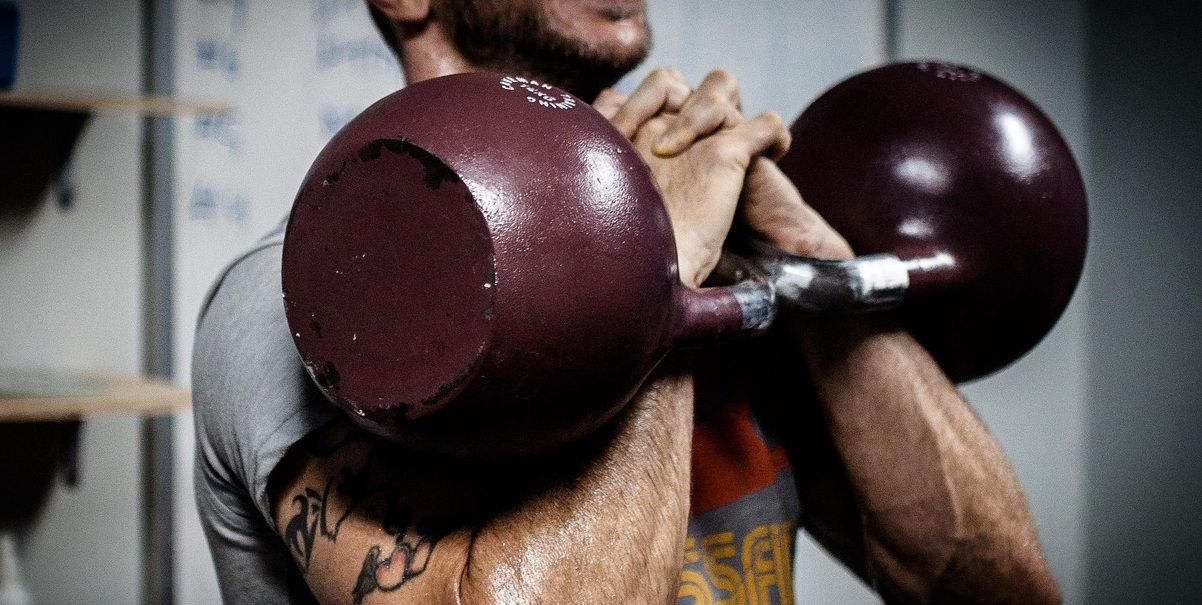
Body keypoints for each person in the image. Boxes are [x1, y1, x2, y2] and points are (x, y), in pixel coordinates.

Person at [192, 0, 1062, 603]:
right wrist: (661, 276)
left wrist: (813, 261)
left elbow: (997, 591)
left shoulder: (729, 253)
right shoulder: (304, 311)